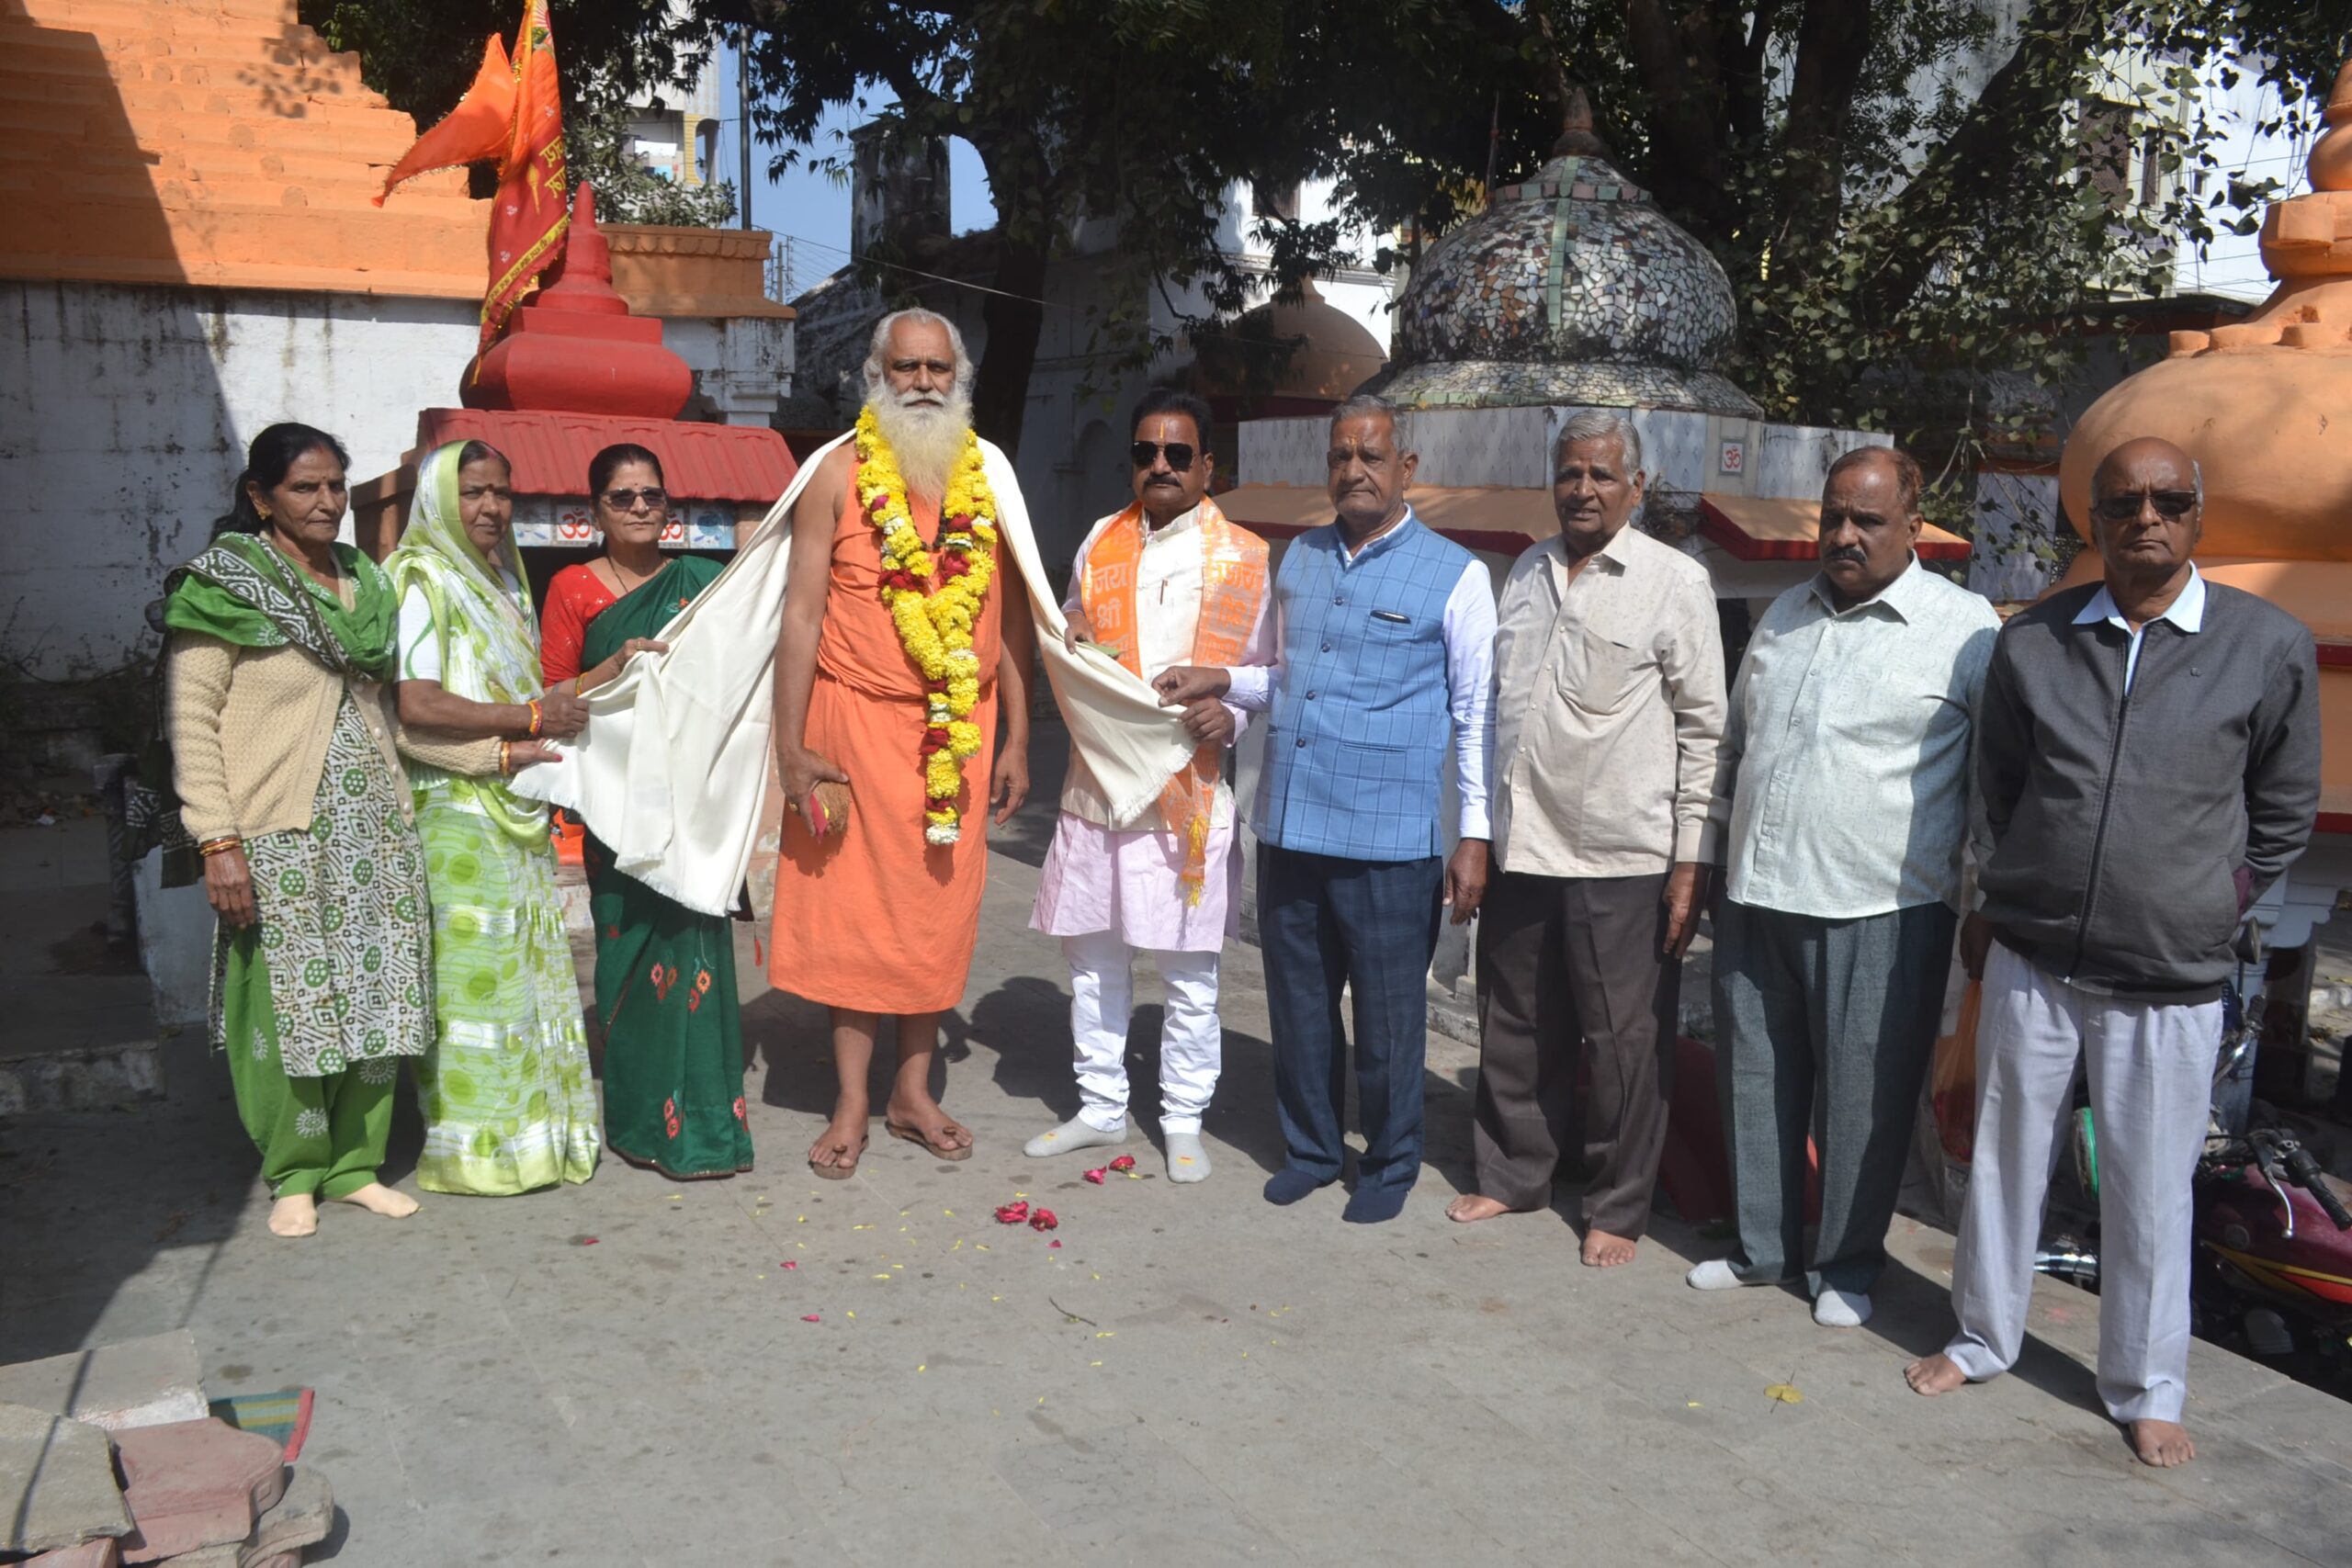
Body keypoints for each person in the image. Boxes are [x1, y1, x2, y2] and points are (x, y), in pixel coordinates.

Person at [1905, 436, 2320, 1468]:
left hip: (2170, 972)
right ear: (2090, 519)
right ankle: (1981, 1336)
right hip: (2035, 955)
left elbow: (2283, 806)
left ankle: (2144, 1386)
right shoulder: (2036, 640)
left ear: (2198, 515)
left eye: (2168, 501)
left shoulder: (2264, 644)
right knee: (2005, 1162)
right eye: (2124, 501)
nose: (2147, 518)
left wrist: (2216, 900)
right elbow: (1999, 784)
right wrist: (2019, 883)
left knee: (2149, 1188)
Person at [1155, 393, 1495, 1224]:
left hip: (1390, 840)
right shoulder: (1300, 558)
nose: (1354, 470)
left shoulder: (1458, 574)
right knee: (1300, 1005)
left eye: (1371, 456)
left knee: (1388, 1016)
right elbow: (1284, 675)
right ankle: (1310, 1149)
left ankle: (1389, 1160)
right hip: (1294, 823)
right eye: (1341, 456)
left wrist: (1475, 835)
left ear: (1405, 467)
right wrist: (1220, 678)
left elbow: (1475, 714)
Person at [162, 423, 508, 1237]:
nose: (326, 502)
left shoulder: (366, 583)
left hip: (377, 832)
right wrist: (218, 841)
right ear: (261, 497)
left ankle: (355, 1165)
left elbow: (395, 719)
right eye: (304, 487)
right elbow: (192, 720)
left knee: (381, 998)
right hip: (280, 835)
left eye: (334, 486)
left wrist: (497, 753)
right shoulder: (228, 584)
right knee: (295, 1006)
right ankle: (295, 1170)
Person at [1685, 445, 2000, 1325]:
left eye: (1867, 520)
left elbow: (1992, 784)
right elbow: (1734, 747)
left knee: (1865, 1097)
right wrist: (1708, 856)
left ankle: (1848, 1266)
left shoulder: (1966, 628)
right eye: (1834, 517)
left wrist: (1983, 902)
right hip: (1758, 891)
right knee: (1755, 1077)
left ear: (1913, 525)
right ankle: (1761, 1248)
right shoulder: (1786, 612)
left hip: (1883, 905)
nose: (1846, 535)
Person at [1444, 412, 1724, 1266]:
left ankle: (1616, 1203)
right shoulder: (1527, 572)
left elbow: (1705, 730)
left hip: (1622, 855)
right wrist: (1479, 835)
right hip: (1524, 843)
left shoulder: (1675, 581)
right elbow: (1495, 711)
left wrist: (1690, 860)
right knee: (1517, 1022)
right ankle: (1514, 1172)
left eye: (1603, 475)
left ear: (1637, 486)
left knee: (1623, 1040)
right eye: (1571, 473)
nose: (1584, 489)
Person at [768, 309, 1035, 1178]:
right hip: (850, 726)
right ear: (875, 377)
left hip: (959, 729)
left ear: (960, 379)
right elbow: (800, 616)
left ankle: (911, 1091)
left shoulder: (988, 476)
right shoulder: (836, 474)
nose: (923, 383)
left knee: (934, 914)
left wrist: (1018, 736)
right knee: (852, 919)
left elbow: (1012, 621)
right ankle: (851, 1098)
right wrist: (789, 747)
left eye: (937, 369)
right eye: (907, 368)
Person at [1025, 389, 1273, 1183]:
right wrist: (1072, 631)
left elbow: (1268, 671)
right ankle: (1101, 1106)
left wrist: (1231, 715)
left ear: (1207, 466)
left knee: (1188, 972)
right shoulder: (1100, 539)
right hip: (1098, 786)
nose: (1160, 466)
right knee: (1094, 963)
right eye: (1145, 453)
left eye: (1177, 454)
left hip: (1185, 792)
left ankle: (1183, 1117)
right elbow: (1072, 621)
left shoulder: (1247, 556)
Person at [390, 439, 602, 1196]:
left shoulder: (506, 578)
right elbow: (417, 703)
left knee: (526, 972)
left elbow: (532, 690)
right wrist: (529, 717)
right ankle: (478, 1152)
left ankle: (537, 1138)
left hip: (514, 797)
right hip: (455, 811)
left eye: (502, 493)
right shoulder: (421, 578)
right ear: (440, 498)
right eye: (473, 491)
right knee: (473, 984)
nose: (491, 507)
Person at [541, 444, 752, 1180]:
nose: (639, 507)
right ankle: (639, 1123)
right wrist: (618, 666)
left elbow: (737, 670)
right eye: (622, 496)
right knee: (628, 950)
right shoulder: (572, 588)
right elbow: (553, 695)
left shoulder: (702, 582)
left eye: (652, 495)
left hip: (693, 798)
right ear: (594, 510)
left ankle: (707, 1126)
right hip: (617, 803)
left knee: (696, 944)